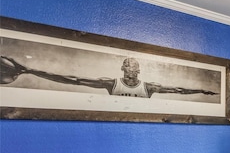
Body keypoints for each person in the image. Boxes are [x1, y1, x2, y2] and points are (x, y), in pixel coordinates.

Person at [0, 56, 218, 98]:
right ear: (122, 69)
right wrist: (30, 70)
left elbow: (178, 90)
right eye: (126, 66)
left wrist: (201, 91)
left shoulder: (149, 87)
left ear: (139, 70)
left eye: (133, 67)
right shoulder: (110, 83)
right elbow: (72, 79)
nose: (129, 69)